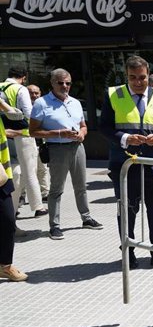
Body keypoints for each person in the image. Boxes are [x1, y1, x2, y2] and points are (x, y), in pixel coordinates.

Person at [101, 55, 153, 271]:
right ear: (127, 76)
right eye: (133, 78)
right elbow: (104, 127)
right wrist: (125, 138)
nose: (138, 82)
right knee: (127, 211)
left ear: (148, 74)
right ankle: (128, 253)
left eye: (142, 77)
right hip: (125, 165)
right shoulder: (114, 94)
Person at [29, 69, 103, 240]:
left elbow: (83, 125)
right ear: (52, 83)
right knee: (56, 189)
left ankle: (86, 218)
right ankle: (54, 226)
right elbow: (33, 131)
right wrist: (59, 133)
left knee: (81, 186)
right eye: (60, 82)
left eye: (68, 83)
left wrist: (82, 134)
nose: (65, 86)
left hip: (78, 147)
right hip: (57, 149)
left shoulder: (75, 102)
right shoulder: (41, 103)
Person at [0, 67, 46, 217]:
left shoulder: (0, 87)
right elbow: (29, 113)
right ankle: (38, 206)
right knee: (29, 171)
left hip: (4, 134)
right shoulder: (20, 89)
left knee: (12, 171)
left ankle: (14, 206)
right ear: (24, 78)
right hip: (23, 135)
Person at [0, 95, 28, 281]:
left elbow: (22, 123)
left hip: (2, 179)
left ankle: (5, 266)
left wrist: (2, 104)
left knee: (8, 221)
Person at [28, 84, 49, 200]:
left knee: (43, 170)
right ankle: (22, 195)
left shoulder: (43, 107)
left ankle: (45, 193)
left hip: (41, 144)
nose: (34, 95)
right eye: (31, 93)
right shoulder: (24, 108)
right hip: (27, 144)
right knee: (29, 172)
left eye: (36, 93)